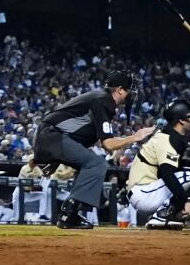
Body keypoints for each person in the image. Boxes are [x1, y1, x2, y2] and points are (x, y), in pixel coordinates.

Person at [32, 70, 154, 229]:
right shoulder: (103, 100)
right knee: (97, 164)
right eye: (129, 89)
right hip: (52, 136)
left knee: (88, 165)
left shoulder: (101, 98)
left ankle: (71, 214)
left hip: (52, 136)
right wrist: (134, 138)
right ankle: (68, 213)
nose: (131, 94)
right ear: (120, 90)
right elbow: (108, 144)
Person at [125, 99, 190, 230]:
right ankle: (162, 215)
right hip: (143, 193)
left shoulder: (173, 136)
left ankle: (170, 215)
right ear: (181, 121)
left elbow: (173, 168)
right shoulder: (166, 138)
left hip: (148, 190)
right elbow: (167, 173)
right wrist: (186, 200)